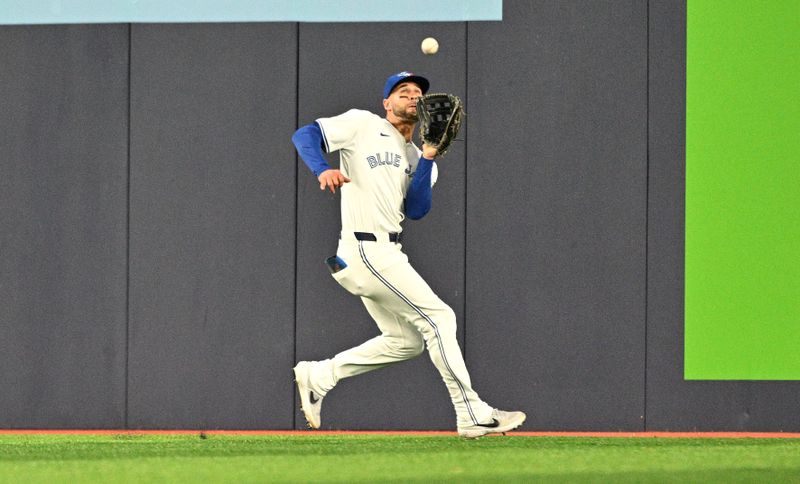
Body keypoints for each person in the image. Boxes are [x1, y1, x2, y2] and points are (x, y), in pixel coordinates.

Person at [291, 71, 525, 438]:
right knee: (439, 319)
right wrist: (323, 169)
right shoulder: (362, 124)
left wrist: (429, 156)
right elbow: (304, 135)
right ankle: (471, 412)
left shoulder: (418, 155)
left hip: (385, 250)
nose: (413, 96)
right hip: (364, 247)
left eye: (418, 92)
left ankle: (321, 375)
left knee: (406, 341)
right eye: (403, 91)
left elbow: (416, 209)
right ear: (387, 102)